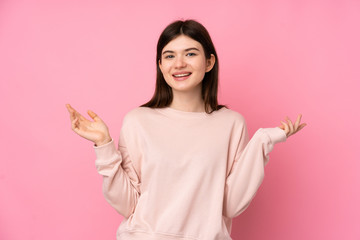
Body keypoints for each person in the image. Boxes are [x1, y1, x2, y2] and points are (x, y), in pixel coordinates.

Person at [66, 19, 306, 240]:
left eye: (190, 53)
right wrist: (104, 145)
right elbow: (126, 204)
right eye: (169, 56)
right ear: (160, 65)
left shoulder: (231, 123)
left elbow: (231, 205)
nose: (179, 63)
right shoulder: (138, 121)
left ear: (209, 61)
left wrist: (262, 142)